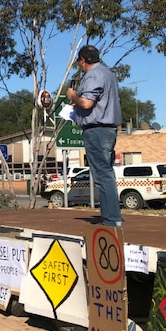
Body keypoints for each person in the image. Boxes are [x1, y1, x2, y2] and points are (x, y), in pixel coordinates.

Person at [66, 44, 123, 227]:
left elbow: (87, 103)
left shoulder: (93, 75)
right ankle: (112, 217)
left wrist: (73, 96)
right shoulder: (108, 74)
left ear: (83, 61)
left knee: (102, 175)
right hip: (108, 128)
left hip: (96, 130)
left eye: (79, 62)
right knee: (106, 173)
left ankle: (111, 220)